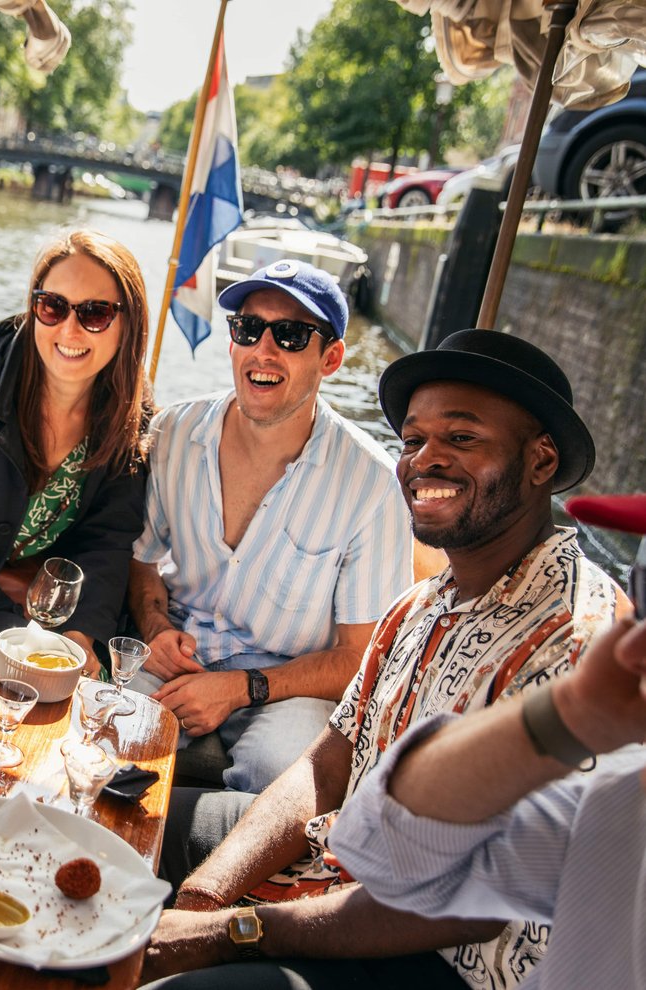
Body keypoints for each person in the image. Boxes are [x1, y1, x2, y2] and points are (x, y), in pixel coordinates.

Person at [141, 329, 626, 990]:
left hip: (436, 961)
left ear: (541, 461)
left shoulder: (575, 641)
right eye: (414, 440)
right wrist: (207, 895)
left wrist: (229, 934)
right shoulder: (420, 604)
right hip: (335, 859)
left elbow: (472, 902)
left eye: (461, 438)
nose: (426, 460)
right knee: (120, 819)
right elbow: (327, 763)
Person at [331, 493, 646, 990]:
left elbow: (451, 910)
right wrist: (572, 711)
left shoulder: (576, 632)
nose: (630, 647)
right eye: (644, 597)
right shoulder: (622, 801)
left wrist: (241, 933)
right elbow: (382, 852)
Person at [128, 259, 411, 802]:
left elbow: (360, 656)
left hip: (289, 682)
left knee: (280, 778)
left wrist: (241, 688)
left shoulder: (372, 484)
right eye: (248, 328)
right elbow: (141, 559)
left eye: (290, 335)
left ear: (331, 359)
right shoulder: (172, 433)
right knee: (112, 734)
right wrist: (155, 626)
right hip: (176, 652)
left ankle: (206, 852)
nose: (263, 350)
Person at [0, 229, 153, 751]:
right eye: (52, 306)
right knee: (3, 713)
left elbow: (106, 543)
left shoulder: (130, 417)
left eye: (95, 313)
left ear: (127, 324)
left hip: (56, 623)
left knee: (92, 721)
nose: (70, 329)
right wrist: (14, 632)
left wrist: (80, 638)